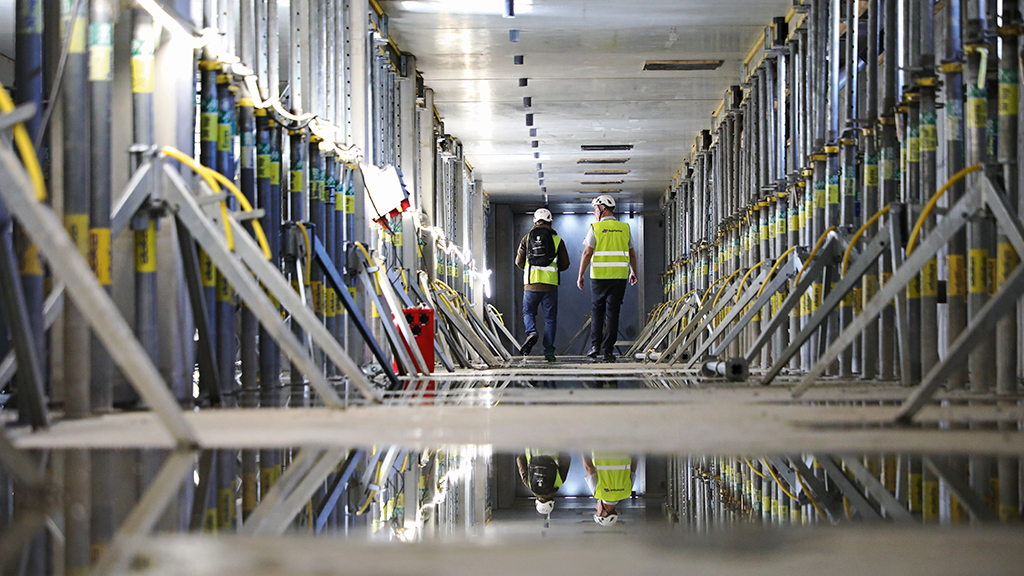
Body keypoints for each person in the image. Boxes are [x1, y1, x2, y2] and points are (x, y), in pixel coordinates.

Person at [576, 195, 638, 363]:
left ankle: (595, 346)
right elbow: (632, 253)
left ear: (602, 208)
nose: (595, 212)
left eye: (596, 209)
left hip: (599, 278)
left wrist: (581, 274)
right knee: (613, 314)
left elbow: (587, 252)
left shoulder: (595, 228)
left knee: (597, 311)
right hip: (619, 278)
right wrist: (634, 271)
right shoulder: (624, 227)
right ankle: (608, 351)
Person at [516, 208, 570, 362]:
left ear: (535, 221)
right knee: (550, 319)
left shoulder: (526, 239)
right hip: (550, 286)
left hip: (531, 284)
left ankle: (531, 332)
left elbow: (518, 262)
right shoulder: (557, 240)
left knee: (528, 312)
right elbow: (565, 264)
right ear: (550, 221)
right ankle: (549, 352)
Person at [583, 452, 637, 526]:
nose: (596, 508)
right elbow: (588, 467)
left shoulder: (627, 492)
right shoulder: (598, 492)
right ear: (605, 512)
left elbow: (634, 464)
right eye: (598, 511)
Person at [516, 450, 572, 515]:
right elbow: (520, 459)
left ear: (552, 500)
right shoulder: (529, 483)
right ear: (536, 500)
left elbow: (566, 457)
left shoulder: (559, 482)